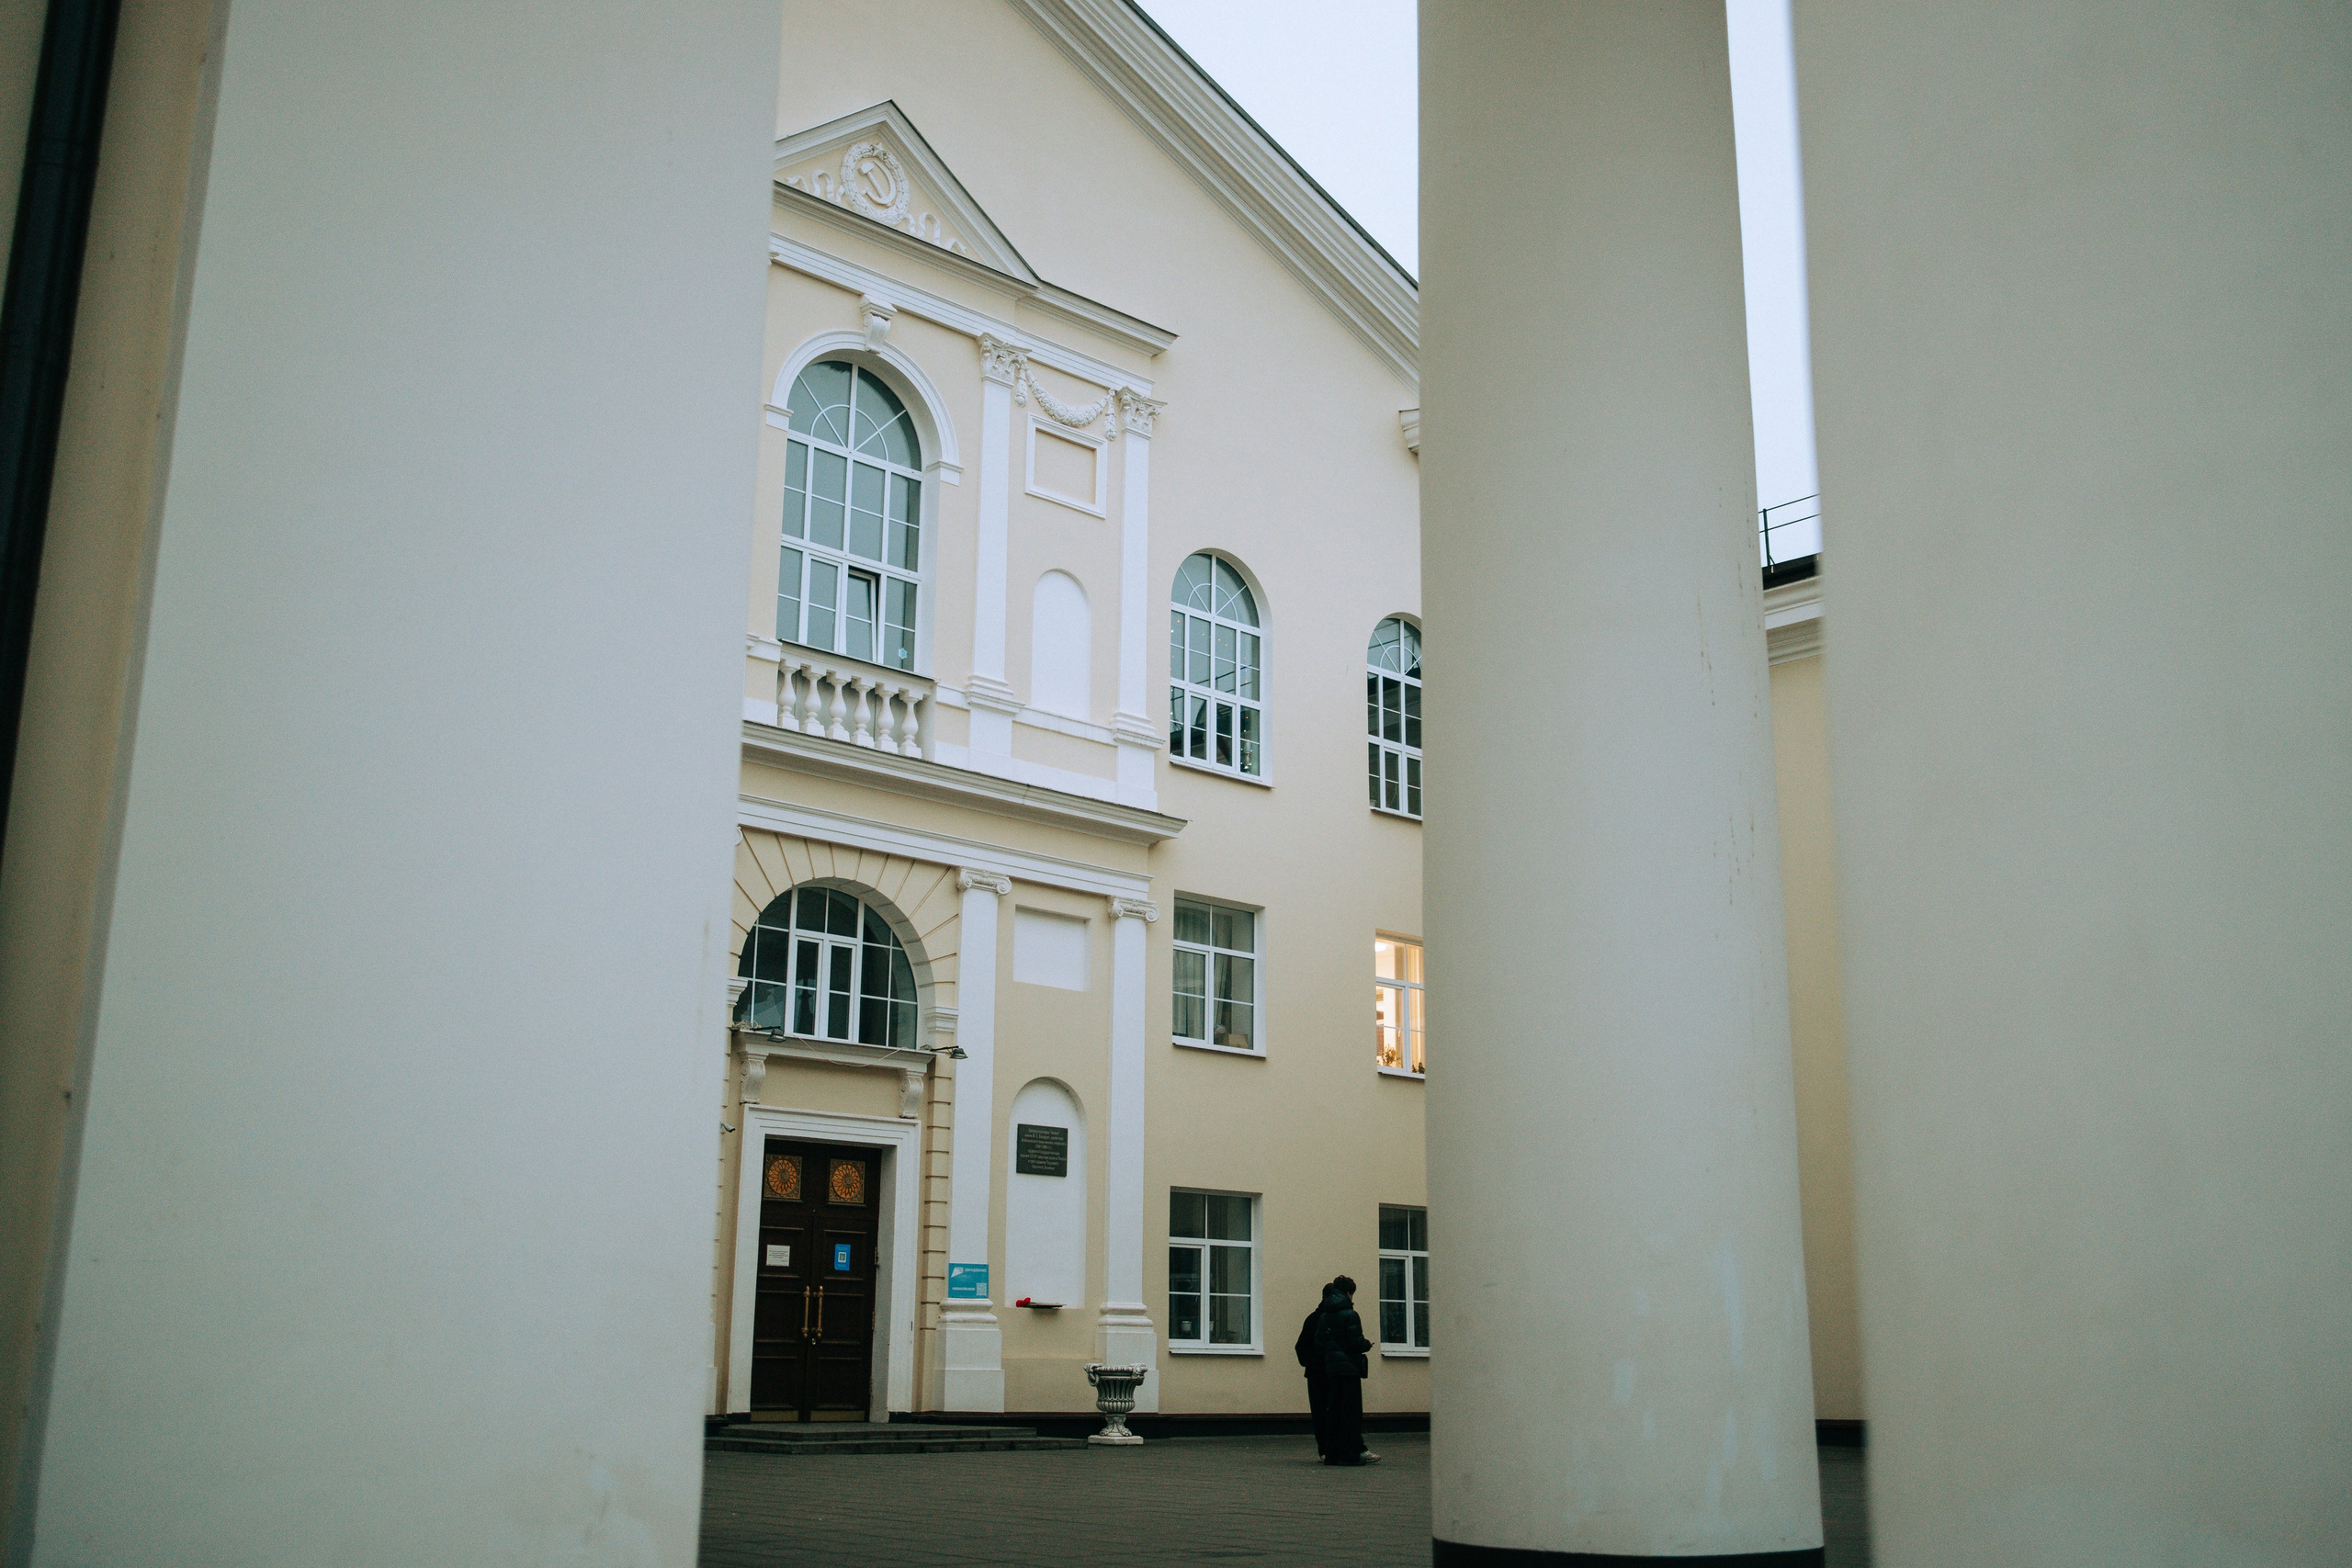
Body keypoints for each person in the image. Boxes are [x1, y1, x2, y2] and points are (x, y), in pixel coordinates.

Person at [1310, 1275, 1378, 1466]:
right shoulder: (1350, 1314)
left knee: (1333, 1412)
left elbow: (1319, 1343)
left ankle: (1332, 1455)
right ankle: (1349, 1455)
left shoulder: (1325, 1315)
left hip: (1332, 1371)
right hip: (1349, 1370)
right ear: (1348, 1292)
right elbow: (1356, 1342)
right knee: (1351, 1413)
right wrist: (1366, 1345)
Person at [1295, 1296, 1333, 1459]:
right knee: (1328, 1411)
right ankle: (1328, 1448)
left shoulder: (1313, 1318)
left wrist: (1311, 1364)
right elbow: (1301, 1346)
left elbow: (1301, 1347)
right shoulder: (1323, 1319)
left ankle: (1324, 1449)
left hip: (1316, 1372)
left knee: (1320, 1412)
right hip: (1325, 1371)